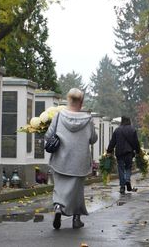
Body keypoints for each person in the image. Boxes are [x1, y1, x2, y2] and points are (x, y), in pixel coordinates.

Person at [45, 88, 97, 230]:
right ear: (81, 102)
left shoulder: (59, 116)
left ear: (68, 100)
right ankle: (76, 219)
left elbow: (49, 135)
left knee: (59, 187)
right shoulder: (88, 119)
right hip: (79, 162)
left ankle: (58, 207)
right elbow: (93, 139)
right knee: (77, 191)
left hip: (60, 159)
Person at [106, 116, 140, 194]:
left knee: (121, 169)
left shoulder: (117, 130)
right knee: (128, 167)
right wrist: (138, 151)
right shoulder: (132, 130)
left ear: (122, 121)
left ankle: (122, 187)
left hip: (119, 153)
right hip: (129, 153)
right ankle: (127, 180)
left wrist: (109, 151)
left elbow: (112, 142)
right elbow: (136, 142)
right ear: (129, 121)